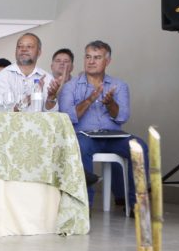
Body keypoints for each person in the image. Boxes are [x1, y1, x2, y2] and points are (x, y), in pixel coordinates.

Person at [58, 40, 143, 208]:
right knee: (80, 146)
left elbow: (122, 117)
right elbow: (67, 117)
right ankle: (85, 205)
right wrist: (89, 99)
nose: (91, 61)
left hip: (113, 137)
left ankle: (137, 205)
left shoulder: (119, 85)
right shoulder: (70, 87)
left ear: (107, 61)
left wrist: (110, 104)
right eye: (88, 57)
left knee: (140, 148)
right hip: (84, 137)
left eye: (97, 57)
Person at [0, 33, 57, 110]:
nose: (24, 49)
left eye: (29, 46)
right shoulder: (3, 76)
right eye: (20, 46)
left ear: (39, 52)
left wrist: (51, 98)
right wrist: (30, 98)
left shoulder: (47, 78)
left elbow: (52, 113)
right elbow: (3, 111)